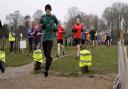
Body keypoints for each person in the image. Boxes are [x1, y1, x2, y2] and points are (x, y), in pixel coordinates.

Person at [40, 4, 58, 77]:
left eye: (49, 9)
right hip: (44, 37)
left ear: (50, 10)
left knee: (48, 52)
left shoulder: (53, 17)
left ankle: (46, 70)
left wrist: (55, 27)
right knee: (46, 54)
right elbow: (40, 24)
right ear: (45, 10)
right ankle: (50, 59)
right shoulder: (42, 17)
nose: (47, 10)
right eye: (46, 9)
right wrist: (42, 25)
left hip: (50, 38)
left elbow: (56, 23)